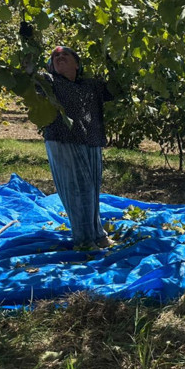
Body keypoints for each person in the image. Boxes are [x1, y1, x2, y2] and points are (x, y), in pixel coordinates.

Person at [40, 46, 114, 250]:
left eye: (65, 54)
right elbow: (27, 79)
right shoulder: (48, 82)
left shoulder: (91, 85)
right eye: (55, 56)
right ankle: (83, 240)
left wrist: (112, 59)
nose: (60, 56)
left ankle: (97, 234)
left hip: (91, 139)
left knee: (91, 189)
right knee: (76, 191)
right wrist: (27, 43)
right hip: (62, 140)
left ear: (77, 63)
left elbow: (116, 90)